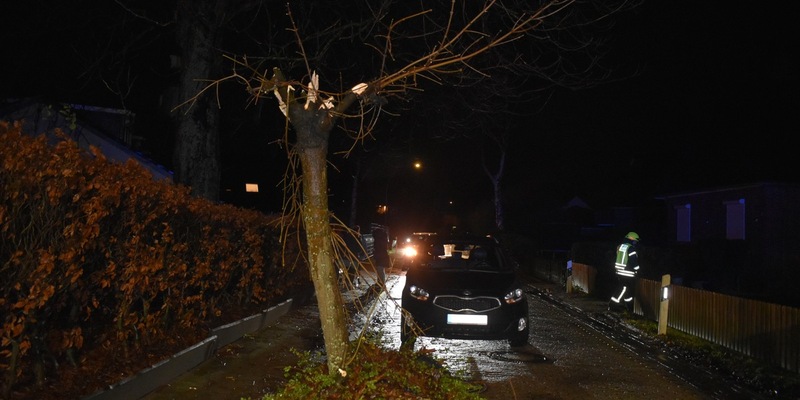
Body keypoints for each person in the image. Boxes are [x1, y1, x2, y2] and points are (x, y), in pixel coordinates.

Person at [609, 231, 640, 313]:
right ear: (632, 240)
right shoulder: (631, 248)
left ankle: (630, 307)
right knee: (624, 288)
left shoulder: (621, 246)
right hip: (628, 272)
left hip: (619, 271)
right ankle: (613, 305)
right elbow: (633, 261)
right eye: (635, 241)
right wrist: (637, 269)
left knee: (627, 290)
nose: (636, 243)